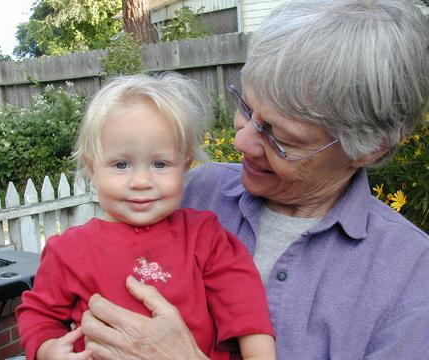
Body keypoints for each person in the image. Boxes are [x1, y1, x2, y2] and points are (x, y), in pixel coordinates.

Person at [78, 0, 429, 359]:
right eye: (246, 107)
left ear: (368, 150)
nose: (241, 141)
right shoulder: (193, 192)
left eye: (280, 137)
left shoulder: (410, 277)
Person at [16, 73, 276, 360]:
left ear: (185, 165)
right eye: (121, 164)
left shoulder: (205, 236)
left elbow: (246, 307)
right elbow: (38, 313)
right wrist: (47, 349)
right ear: (91, 168)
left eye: (160, 163)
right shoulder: (68, 250)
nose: (141, 181)